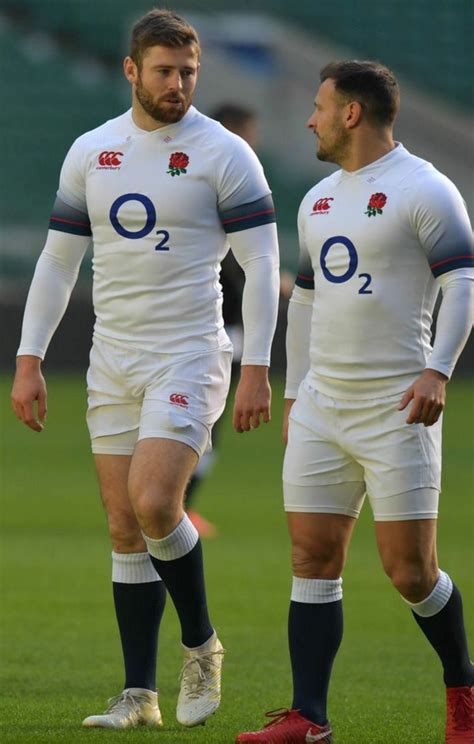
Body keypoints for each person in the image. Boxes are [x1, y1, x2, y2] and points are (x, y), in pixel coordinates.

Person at [11, 8, 280, 731]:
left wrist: (257, 364)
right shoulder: (93, 151)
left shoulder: (224, 153)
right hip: (113, 358)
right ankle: (139, 695)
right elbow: (58, 262)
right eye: (165, 71)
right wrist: (29, 359)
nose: (178, 84)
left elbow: (261, 262)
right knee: (125, 527)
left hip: (190, 351)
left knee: (158, 502)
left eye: (188, 72)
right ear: (132, 71)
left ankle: (200, 644)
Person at [236, 60, 473, 744]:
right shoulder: (316, 200)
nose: (308, 118)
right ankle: (309, 716)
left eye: (318, 106)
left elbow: (462, 284)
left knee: (411, 572)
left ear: (351, 114)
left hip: (397, 406)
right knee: (311, 558)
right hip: (322, 407)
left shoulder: (426, 189)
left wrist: (438, 371)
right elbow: (305, 300)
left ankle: (464, 688)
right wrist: (295, 392)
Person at [186, 103, 259, 538]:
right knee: (204, 424)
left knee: (207, 424)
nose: (254, 141)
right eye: (249, 130)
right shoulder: (215, 184)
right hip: (211, 329)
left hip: (226, 327)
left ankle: (178, 505)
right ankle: (178, 506)